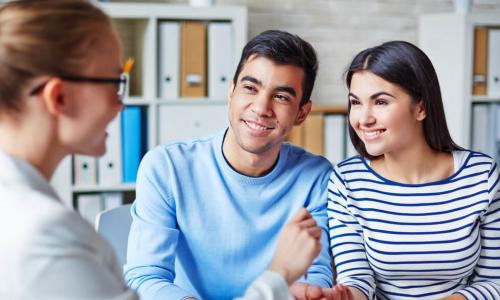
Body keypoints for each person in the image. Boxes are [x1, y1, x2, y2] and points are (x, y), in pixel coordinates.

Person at [124, 29, 334, 299]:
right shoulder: (166, 167)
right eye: (250, 88)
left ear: (302, 113)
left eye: (281, 97)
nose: (261, 107)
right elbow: (146, 276)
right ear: (231, 92)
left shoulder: (316, 177)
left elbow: (315, 274)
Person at [325, 41, 500, 300]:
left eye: (381, 102)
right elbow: (357, 279)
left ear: (421, 107)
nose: (363, 119)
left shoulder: (481, 176)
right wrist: (344, 296)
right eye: (356, 103)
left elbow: (494, 280)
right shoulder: (347, 181)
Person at [0, 0, 137, 299]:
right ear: (59, 97)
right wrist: (268, 279)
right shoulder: (42, 232)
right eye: (113, 83)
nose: (120, 104)